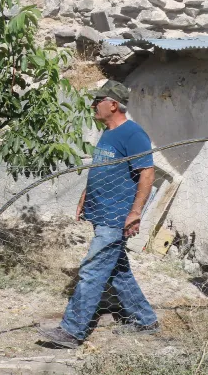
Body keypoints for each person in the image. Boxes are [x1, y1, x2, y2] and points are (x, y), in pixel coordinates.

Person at [37, 80, 159, 348]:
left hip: (116, 217)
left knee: (92, 270)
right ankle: (146, 320)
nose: (93, 105)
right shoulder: (108, 132)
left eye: (98, 100)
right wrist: (84, 197)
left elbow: (147, 174)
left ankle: (72, 331)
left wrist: (135, 212)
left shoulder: (133, 134)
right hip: (101, 211)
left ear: (113, 104)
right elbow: (102, 169)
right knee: (117, 271)